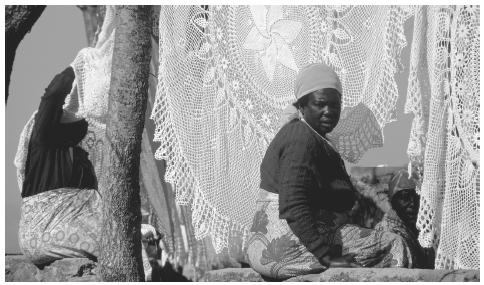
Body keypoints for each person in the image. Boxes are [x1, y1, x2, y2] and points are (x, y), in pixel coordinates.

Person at [246, 63, 413, 280]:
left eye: (335, 105)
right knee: (395, 245)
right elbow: (293, 205)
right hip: (287, 247)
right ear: (302, 106)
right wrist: (327, 257)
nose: (329, 111)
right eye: (321, 104)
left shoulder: (312, 137)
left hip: (279, 246)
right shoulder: (301, 138)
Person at [17, 67, 161, 279]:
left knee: (145, 235)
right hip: (44, 233)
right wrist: (81, 66)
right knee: (123, 241)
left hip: (64, 230)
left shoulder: (82, 153)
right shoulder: (44, 139)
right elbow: (53, 95)